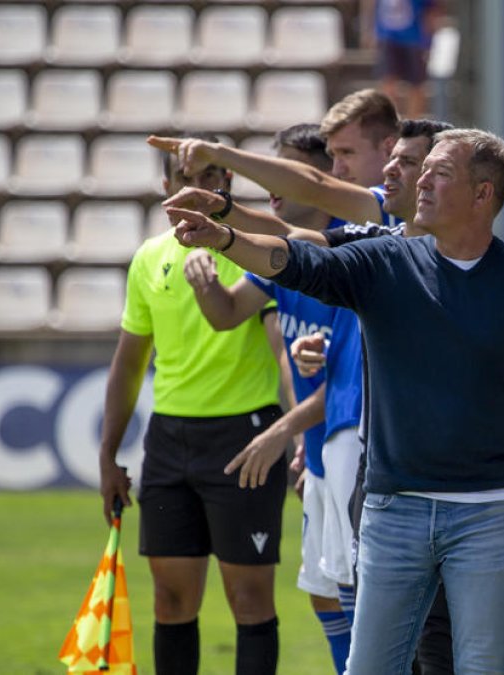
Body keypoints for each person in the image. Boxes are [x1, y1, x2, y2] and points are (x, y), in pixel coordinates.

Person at [166, 128, 504, 674]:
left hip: (490, 511)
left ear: (483, 194)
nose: (423, 183)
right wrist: (225, 236)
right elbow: (292, 259)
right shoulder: (384, 261)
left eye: (440, 173)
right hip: (394, 509)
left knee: (484, 666)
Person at [98, 138, 286, 675]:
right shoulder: (149, 258)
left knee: (249, 600)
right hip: (170, 443)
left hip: (245, 439)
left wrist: (294, 434)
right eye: (186, 180)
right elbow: (130, 361)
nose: (198, 189)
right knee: (171, 601)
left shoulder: (257, 250)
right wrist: (109, 453)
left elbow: (282, 347)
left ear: (226, 186)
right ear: (166, 189)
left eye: (210, 178)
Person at [182, 124, 355, 674]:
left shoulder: (353, 260)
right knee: (325, 590)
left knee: (357, 590)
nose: (270, 189)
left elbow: (357, 380)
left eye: (281, 173)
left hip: (353, 441)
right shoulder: (284, 257)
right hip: (319, 445)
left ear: (321, 181)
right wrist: (204, 281)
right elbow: (228, 316)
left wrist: (283, 431)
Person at [371, 0, 442, 118]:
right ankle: (390, 121)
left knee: (416, 83)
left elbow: (432, 9)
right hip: (387, 36)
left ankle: (413, 122)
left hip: (414, 38)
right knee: (388, 81)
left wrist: (428, 37)